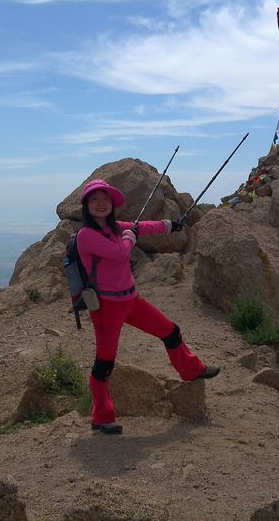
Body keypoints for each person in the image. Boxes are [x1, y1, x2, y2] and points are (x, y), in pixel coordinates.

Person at [77, 179, 220, 435]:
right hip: (107, 307)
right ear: (87, 205)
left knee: (170, 331)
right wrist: (130, 238)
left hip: (131, 300)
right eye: (94, 199)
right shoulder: (87, 235)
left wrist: (168, 225)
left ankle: (193, 370)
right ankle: (101, 417)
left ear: (112, 204)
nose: (101, 203)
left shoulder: (113, 228)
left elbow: (141, 226)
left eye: (105, 198)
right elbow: (121, 252)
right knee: (105, 362)